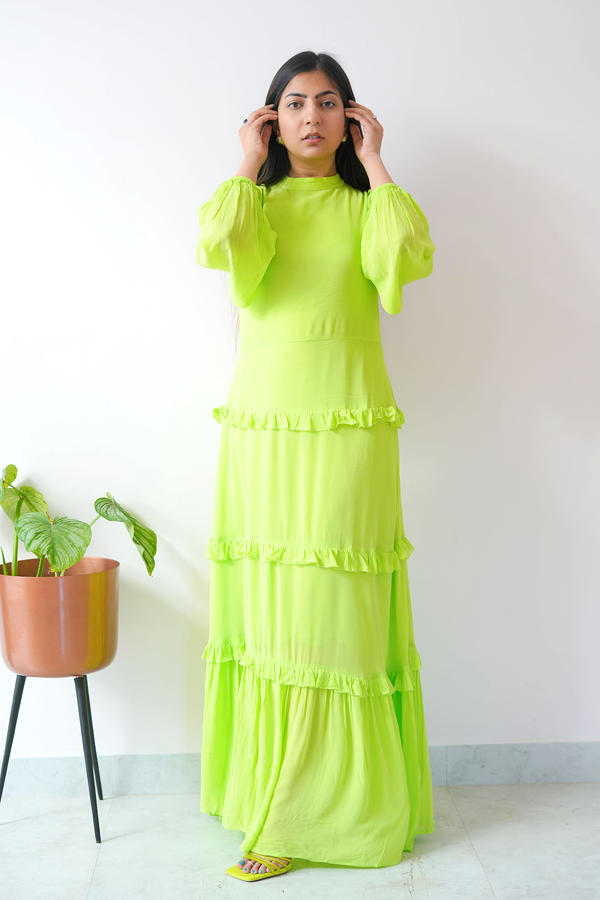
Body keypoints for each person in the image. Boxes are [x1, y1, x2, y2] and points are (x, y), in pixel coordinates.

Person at [195, 50, 436, 883]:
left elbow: (407, 253)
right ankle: (272, 801)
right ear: (272, 119)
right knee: (274, 614)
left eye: (328, 103)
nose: (311, 117)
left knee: (337, 609)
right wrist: (244, 158)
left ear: (351, 117)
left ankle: (336, 809)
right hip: (263, 429)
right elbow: (216, 241)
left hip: (349, 428)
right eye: (293, 104)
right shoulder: (255, 206)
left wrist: (376, 162)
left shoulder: (369, 207)